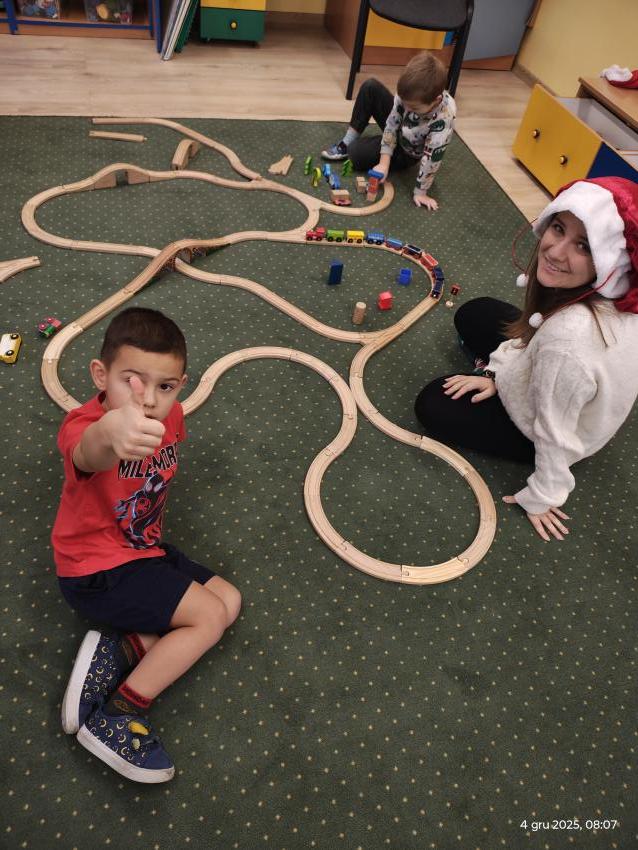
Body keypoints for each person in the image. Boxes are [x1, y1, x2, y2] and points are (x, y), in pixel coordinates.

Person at [52, 307, 241, 783]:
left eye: (166, 386)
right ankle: (117, 715)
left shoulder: (172, 415)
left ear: (182, 384)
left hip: (142, 549)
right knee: (208, 618)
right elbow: (88, 451)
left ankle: (120, 651)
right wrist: (109, 430)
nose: (150, 400)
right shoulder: (83, 425)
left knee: (229, 600)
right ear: (101, 375)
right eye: (132, 382)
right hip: (95, 570)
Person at [414, 176, 638, 540]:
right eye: (558, 228)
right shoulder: (613, 296)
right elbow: (535, 338)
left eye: (583, 245)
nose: (555, 252)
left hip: (560, 427)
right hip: (562, 375)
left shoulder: (568, 340)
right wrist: (497, 372)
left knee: (433, 403)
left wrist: (544, 495)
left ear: (609, 260)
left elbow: (553, 428)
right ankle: (501, 372)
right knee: (476, 312)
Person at [321, 51, 455, 211]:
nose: (407, 110)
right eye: (404, 103)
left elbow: (432, 158)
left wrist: (421, 192)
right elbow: (391, 124)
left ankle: (359, 148)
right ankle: (347, 141)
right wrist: (384, 163)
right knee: (370, 87)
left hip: (408, 150)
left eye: (413, 108)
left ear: (436, 100)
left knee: (355, 154)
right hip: (399, 131)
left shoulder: (444, 119)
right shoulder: (408, 94)